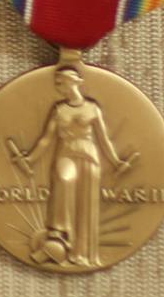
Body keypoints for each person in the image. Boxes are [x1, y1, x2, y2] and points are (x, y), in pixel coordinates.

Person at [9, 67, 138, 268]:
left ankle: (80, 252)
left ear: (74, 82)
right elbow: (46, 139)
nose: (59, 87)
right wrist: (30, 158)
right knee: (63, 179)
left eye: (62, 82)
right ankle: (59, 233)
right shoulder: (59, 109)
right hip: (66, 154)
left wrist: (115, 161)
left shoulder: (92, 108)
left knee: (85, 202)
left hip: (88, 156)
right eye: (58, 83)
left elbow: (104, 140)